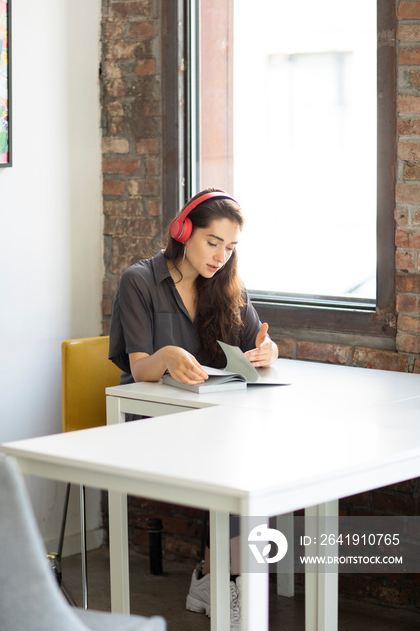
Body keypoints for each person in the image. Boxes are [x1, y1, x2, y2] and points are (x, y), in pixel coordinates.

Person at [108, 188, 278, 628]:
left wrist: (267, 352)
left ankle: (219, 575)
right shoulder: (139, 281)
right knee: (235, 456)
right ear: (184, 232)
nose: (221, 256)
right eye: (212, 241)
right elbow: (140, 369)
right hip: (148, 421)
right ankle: (219, 577)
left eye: (230, 246)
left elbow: (256, 341)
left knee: (254, 456)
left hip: (207, 419)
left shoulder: (225, 284)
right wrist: (164, 357)